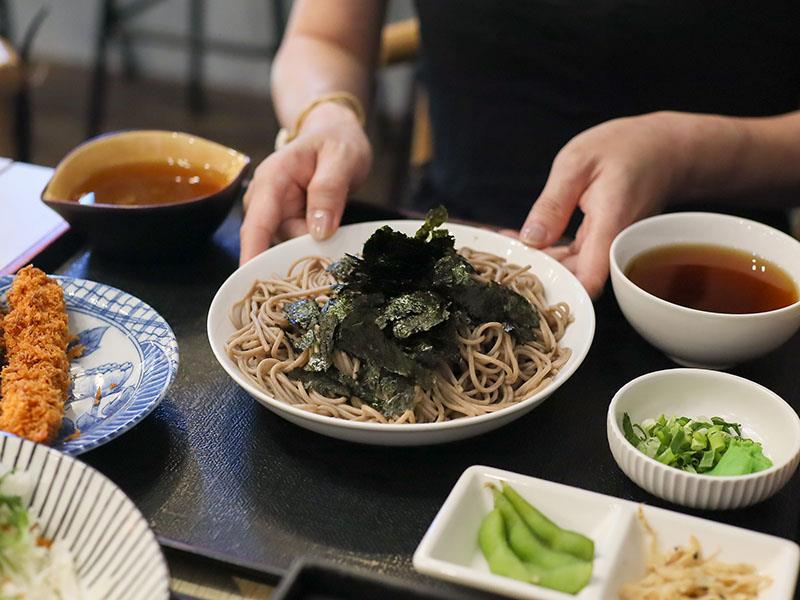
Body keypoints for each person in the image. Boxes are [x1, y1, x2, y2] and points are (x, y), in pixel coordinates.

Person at [240, 0, 800, 298]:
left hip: (718, 283)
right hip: (447, 241)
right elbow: (324, 37)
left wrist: (685, 152)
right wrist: (327, 115)